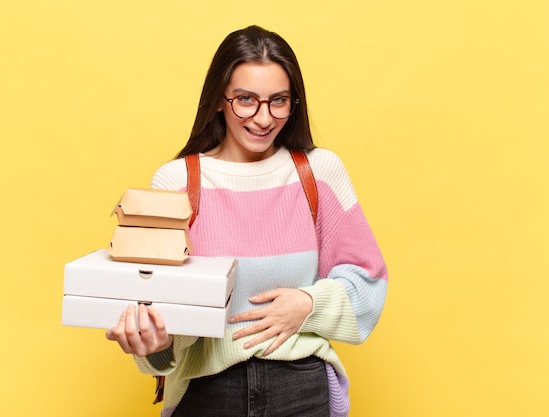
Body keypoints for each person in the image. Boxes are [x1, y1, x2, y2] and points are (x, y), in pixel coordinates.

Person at [106, 25, 388, 417]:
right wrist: (153, 343)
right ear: (220, 100)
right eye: (246, 100)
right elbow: (158, 310)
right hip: (207, 392)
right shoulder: (176, 182)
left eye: (278, 101)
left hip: (302, 388)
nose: (263, 117)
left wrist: (308, 302)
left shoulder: (320, 173)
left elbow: (368, 280)